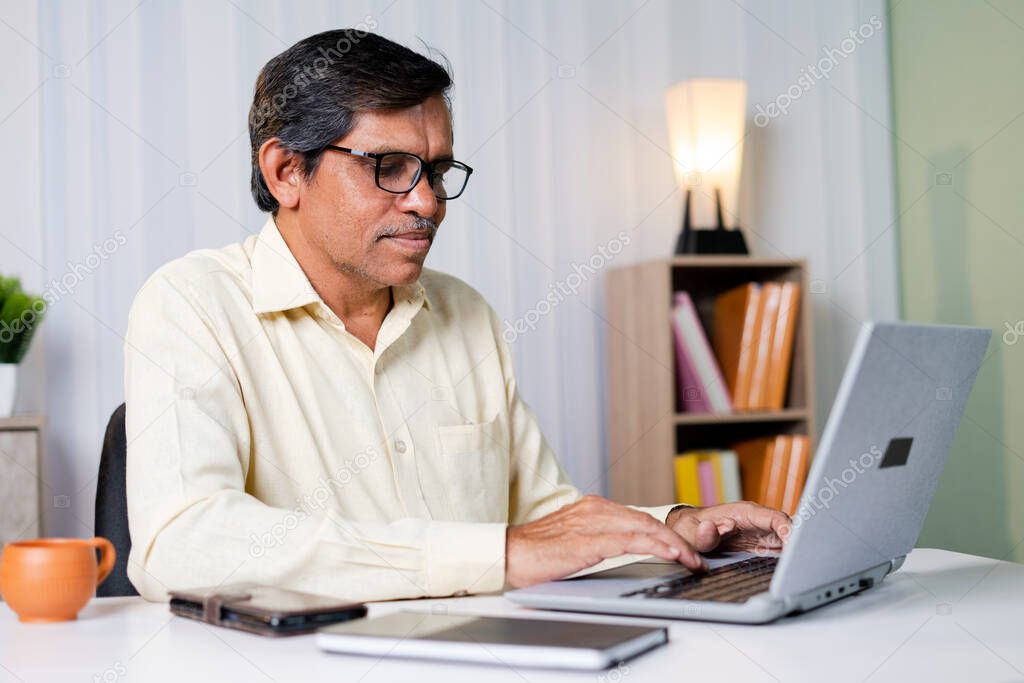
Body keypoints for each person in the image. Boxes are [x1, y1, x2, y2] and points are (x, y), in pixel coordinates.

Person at [124, 29, 789, 602]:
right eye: (389, 167)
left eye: (437, 172)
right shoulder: (191, 305)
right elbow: (182, 544)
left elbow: (544, 523)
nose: (427, 202)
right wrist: (494, 556)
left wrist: (675, 524)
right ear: (286, 171)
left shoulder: (466, 314)